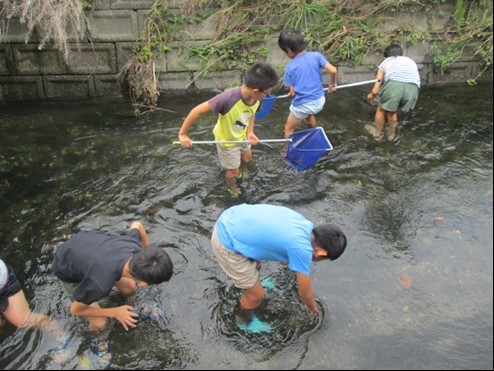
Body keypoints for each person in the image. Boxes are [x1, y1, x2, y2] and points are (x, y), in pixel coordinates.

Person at [51, 221, 173, 366]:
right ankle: (96, 340)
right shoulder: (99, 284)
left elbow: (137, 225)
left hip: (87, 243)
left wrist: (148, 252)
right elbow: (76, 310)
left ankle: (134, 307)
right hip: (67, 268)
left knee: (129, 287)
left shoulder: (134, 246)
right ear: (144, 284)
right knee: (100, 322)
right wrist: (115, 312)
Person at [211, 203, 347, 331]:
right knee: (256, 295)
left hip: (231, 217)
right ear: (322, 253)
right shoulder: (303, 249)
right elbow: (305, 292)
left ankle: (252, 284)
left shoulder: (303, 224)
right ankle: (243, 322)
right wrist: (313, 310)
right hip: (225, 241)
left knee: (257, 259)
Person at [177, 61, 279, 197]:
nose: (268, 96)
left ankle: (239, 170)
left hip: (241, 136)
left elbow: (251, 112)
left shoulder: (257, 98)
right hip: (226, 140)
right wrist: (183, 134)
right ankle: (231, 187)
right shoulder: (227, 99)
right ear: (255, 91)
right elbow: (197, 111)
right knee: (233, 172)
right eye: (267, 93)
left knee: (247, 158)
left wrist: (250, 132)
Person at [278, 28, 338, 138]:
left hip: (304, 105)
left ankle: (287, 150)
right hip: (319, 101)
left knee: (288, 128)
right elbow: (334, 70)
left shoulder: (290, 68)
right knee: (308, 112)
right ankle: (313, 129)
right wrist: (332, 84)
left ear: (288, 50)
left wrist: (291, 93)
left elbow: (292, 93)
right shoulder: (316, 56)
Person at [364, 43, 420, 141]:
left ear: (385, 56)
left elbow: (376, 89)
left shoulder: (384, 63)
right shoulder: (410, 61)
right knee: (393, 110)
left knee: (381, 109)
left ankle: (378, 134)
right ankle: (391, 134)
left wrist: (371, 96)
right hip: (413, 88)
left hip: (395, 85)